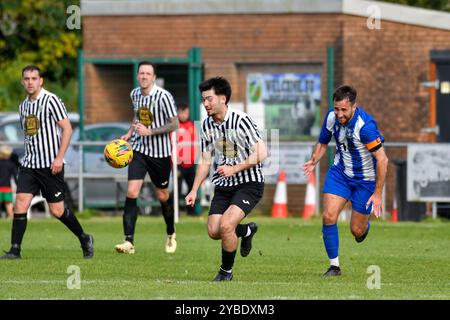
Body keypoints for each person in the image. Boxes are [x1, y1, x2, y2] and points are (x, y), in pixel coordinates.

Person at [0, 65, 94, 260]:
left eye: (34, 78)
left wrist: (59, 157)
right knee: (20, 204)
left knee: (57, 210)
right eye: (26, 79)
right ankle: (15, 250)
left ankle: (84, 238)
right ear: (22, 81)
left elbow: (67, 129)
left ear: (41, 80)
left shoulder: (51, 100)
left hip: (51, 165)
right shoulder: (23, 106)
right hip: (29, 165)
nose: (30, 82)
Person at [186, 77, 267, 281]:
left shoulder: (241, 120)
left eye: (209, 99)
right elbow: (205, 160)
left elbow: (262, 152)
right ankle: (246, 231)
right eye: (203, 99)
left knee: (226, 225)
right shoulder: (206, 126)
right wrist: (194, 189)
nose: (205, 104)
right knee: (214, 231)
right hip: (224, 186)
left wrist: (235, 168)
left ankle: (226, 272)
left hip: (249, 183)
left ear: (223, 98)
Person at [303, 85, 388, 276]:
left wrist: (377, 194)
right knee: (328, 216)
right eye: (336, 109)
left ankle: (363, 227)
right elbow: (323, 142)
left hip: (365, 181)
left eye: (344, 110)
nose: (339, 114)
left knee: (356, 231)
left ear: (353, 106)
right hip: (340, 174)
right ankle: (334, 266)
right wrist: (314, 159)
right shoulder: (331, 118)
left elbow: (382, 159)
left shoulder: (365, 128)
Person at [114, 61, 179, 255]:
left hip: (160, 154)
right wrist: (128, 133)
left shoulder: (164, 96)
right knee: (132, 192)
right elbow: (137, 117)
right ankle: (129, 242)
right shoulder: (134, 94)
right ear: (137, 76)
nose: (144, 76)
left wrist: (150, 132)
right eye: (141, 73)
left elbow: (174, 124)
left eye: (148, 74)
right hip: (139, 151)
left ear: (153, 77)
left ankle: (170, 233)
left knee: (162, 195)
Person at [174, 103, 199, 216]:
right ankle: (175, 212)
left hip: (191, 164)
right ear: (178, 113)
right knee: (177, 189)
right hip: (178, 165)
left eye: (185, 112)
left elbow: (197, 145)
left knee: (192, 188)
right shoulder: (174, 126)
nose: (183, 115)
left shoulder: (193, 125)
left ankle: (191, 212)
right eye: (181, 112)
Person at [0, 144, 17, 219]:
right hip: (7, 188)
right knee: (8, 205)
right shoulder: (11, 164)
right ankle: (12, 218)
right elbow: (16, 176)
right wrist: (18, 186)